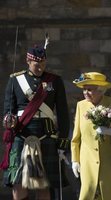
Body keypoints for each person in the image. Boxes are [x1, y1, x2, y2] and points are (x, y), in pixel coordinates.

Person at [1, 44, 70, 200]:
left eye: (43, 64)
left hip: (46, 136)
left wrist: (62, 141)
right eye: (37, 64)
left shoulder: (54, 81)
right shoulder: (15, 80)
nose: (41, 67)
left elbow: (63, 114)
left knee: (43, 184)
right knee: (18, 182)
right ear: (28, 61)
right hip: (21, 134)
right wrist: (8, 119)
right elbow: (8, 109)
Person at [71, 72, 111, 200]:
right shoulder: (81, 106)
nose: (85, 92)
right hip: (87, 163)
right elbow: (76, 138)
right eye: (84, 89)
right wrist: (75, 160)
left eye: (89, 89)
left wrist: (110, 132)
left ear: (100, 90)